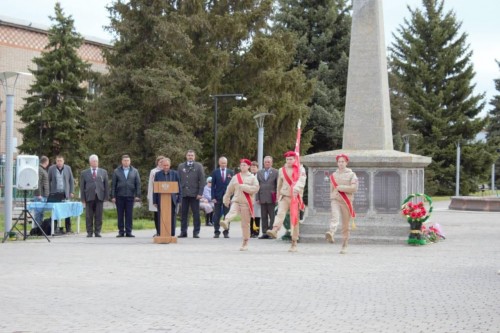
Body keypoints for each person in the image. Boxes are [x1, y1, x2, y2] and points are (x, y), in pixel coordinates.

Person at [266, 151, 307, 252]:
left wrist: (296, 188)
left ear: (295, 159)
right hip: (284, 196)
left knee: (294, 219)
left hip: (295, 197)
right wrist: (277, 196)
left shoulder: (300, 169)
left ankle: (294, 241)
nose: (289, 161)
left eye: (291, 159)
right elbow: (279, 185)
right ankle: (275, 230)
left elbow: (302, 181)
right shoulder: (282, 170)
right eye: (287, 159)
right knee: (280, 213)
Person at [220, 159, 259, 251]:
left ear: (248, 166)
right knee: (232, 211)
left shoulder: (252, 178)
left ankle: (245, 242)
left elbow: (256, 188)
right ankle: (226, 221)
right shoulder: (235, 177)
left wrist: (245, 187)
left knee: (245, 224)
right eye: (241, 165)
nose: (242, 167)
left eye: (244, 165)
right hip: (236, 200)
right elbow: (229, 189)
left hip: (246, 202)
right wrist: (226, 198)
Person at [325, 154, 358, 254]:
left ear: (346, 163)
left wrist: (341, 188)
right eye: (339, 162)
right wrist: (332, 197)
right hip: (335, 200)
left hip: (346, 201)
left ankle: (344, 244)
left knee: (345, 225)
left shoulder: (352, 175)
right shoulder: (333, 175)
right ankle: (331, 232)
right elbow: (331, 188)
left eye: (343, 161)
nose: (341, 163)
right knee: (335, 216)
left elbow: (354, 188)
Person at [111, 154, 141, 237]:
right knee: (120, 214)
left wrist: (138, 195)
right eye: (125, 160)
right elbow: (113, 184)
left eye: (128, 160)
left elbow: (138, 184)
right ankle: (121, 231)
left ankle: (129, 231)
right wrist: (113, 196)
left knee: (129, 214)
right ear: (122, 161)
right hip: (119, 196)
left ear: (130, 161)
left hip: (130, 196)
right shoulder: (116, 171)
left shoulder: (135, 171)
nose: (126, 162)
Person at [177, 150, 205, 238]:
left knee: (196, 214)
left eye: (192, 155)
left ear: (194, 157)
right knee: (184, 214)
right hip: (184, 194)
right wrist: (178, 192)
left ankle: (196, 232)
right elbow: (178, 180)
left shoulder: (199, 166)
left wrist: (200, 193)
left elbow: (202, 180)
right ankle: (183, 232)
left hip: (195, 194)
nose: (190, 157)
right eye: (189, 155)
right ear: (186, 156)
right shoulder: (181, 166)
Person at [80, 154, 109, 237]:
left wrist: (106, 197)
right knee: (89, 215)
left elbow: (106, 185)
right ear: (90, 162)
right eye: (94, 161)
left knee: (99, 215)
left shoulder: (103, 172)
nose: (95, 163)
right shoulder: (84, 173)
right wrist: (82, 198)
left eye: (96, 161)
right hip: (89, 196)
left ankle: (97, 231)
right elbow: (82, 186)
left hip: (99, 196)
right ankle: (89, 232)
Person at [153, 158, 181, 236]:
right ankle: (160, 233)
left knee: (172, 217)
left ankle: (171, 234)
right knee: (160, 217)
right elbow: (155, 188)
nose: (165, 167)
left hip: (172, 199)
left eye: (167, 165)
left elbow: (179, 186)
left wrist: (179, 199)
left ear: (170, 165)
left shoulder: (175, 174)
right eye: (164, 165)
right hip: (161, 200)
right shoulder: (157, 174)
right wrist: (154, 201)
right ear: (161, 165)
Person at [48, 155, 75, 234]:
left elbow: (71, 180)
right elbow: (48, 180)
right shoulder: (51, 169)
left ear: (63, 161)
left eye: (60, 161)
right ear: (56, 161)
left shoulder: (68, 168)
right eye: (58, 161)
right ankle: (54, 228)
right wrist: (49, 192)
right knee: (55, 210)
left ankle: (68, 228)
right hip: (55, 193)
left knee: (67, 210)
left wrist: (71, 191)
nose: (59, 162)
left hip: (65, 193)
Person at [210, 156, 234, 238]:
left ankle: (226, 231)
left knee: (227, 215)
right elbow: (213, 186)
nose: (223, 164)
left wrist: (231, 197)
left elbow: (233, 186)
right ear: (219, 163)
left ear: (226, 163)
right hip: (217, 197)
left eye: (225, 163)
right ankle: (216, 231)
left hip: (227, 197)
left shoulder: (230, 172)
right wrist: (213, 197)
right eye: (222, 163)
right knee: (217, 214)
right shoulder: (215, 172)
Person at [256, 156, 278, 239]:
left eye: (269, 162)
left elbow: (277, 185)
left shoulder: (276, 172)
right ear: (263, 163)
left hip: (272, 197)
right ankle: (265, 232)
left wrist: (277, 196)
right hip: (262, 197)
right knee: (263, 216)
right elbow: (257, 185)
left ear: (271, 163)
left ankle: (272, 232)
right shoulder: (259, 172)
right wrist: (257, 197)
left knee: (273, 216)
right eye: (266, 162)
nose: (267, 163)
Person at [147, 155, 165, 236]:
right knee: (157, 215)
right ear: (157, 162)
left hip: (165, 196)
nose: (161, 163)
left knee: (164, 214)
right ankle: (158, 231)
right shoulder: (153, 171)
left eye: (163, 162)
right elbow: (150, 184)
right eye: (160, 161)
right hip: (155, 195)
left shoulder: (167, 171)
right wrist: (149, 195)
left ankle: (164, 231)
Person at [33, 155, 49, 226]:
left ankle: (40, 229)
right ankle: (37, 229)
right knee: (38, 213)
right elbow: (38, 182)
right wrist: (38, 194)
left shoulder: (42, 169)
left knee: (41, 213)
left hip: (43, 194)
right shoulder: (40, 169)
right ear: (46, 162)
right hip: (40, 195)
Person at [249, 161, 261, 238]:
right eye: (252, 167)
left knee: (256, 215)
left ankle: (256, 231)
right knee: (250, 215)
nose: (253, 168)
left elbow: (260, 188)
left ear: (257, 168)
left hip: (256, 198)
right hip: (249, 198)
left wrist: (258, 198)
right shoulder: (248, 176)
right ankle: (251, 231)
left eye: (254, 167)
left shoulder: (259, 176)